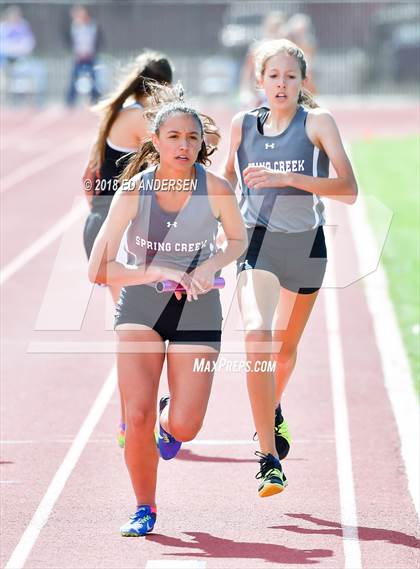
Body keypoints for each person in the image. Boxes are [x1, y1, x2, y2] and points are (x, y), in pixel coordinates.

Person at [87, 90, 247, 536]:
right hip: (141, 306)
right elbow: (97, 268)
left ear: (200, 144)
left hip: (199, 307)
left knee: (186, 425)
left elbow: (237, 242)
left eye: (191, 138)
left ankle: (168, 418)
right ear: (155, 140)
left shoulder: (216, 189)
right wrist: (153, 270)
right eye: (173, 136)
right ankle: (144, 507)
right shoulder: (135, 190)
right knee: (133, 417)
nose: (183, 145)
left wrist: (210, 265)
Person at [223, 38, 358, 497]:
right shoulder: (243, 124)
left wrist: (290, 179)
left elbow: (349, 189)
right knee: (258, 335)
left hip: (306, 246)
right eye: (273, 76)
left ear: (303, 81)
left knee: (284, 351)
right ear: (259, 81)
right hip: (256, 241)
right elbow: (225, 178)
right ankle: (268, 458)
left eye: (291, 76)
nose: (282, 84)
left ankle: (271, 407)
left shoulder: (318, 122)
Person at [82, 52, 173, 448]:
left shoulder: (116, 115)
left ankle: (128, 422)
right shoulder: (141, 119)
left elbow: (88, 180)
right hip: (119, 230)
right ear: (161, 87)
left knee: (132, 330)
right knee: (140, 332)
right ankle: (140, 420)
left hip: (101, 226)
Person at [65, 5, 101, 107]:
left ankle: (95, 99)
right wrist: (76, 53)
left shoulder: (93, 25)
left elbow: (98, 40)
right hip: (78, 57)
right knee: (74, 79)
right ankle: (70, 102)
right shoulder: (74, 26)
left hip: (91, 57)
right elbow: (70, 41)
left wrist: (92, 52)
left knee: (94, 79)